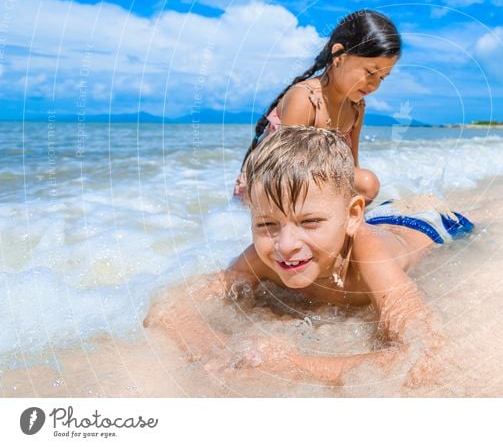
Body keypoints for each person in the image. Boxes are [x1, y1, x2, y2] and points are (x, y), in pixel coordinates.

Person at [147, 126, 474, 384]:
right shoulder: (264, 255)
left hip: (426, 222)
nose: (285, 244)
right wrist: (210, 346)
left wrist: (295, 365)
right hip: (352, 219)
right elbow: (168, 307)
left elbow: (427, 357)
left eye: (309, 222)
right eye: (266, 224)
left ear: (353, 216)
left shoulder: (370, 259)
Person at [234, 9, 401, 203]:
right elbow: (285, 174)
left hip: (313, 184)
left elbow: (351, 166)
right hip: (271, 187)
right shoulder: (305, 99)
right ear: (339, 55)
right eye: (370, 72)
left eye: (382, 77)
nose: (374, 85)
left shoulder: (356, 107)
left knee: (366, 183)